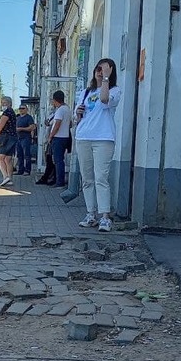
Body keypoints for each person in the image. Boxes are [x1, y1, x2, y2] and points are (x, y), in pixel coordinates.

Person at [75, 58, 122, 232]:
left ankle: (105, 217)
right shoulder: (85, 92)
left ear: (111, 72)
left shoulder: (114, 90)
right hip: (84, 137)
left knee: (101, 178)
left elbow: (104, 99)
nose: (100, 72)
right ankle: (90, 214)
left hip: (103, 138)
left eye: (104, 70)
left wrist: (106, 80)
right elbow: (78, 117)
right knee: (87, 179)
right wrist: (78, 114)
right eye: (98, 69)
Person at [47, 90, 72, 188]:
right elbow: (70, 124)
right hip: (65, 137)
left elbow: (57, 124)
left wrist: (50, 136)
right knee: (59, 160)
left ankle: (59, 182)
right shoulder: (67, 109)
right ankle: (58, 180)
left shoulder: (60, 110)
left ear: (55, 100)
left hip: (58, 138)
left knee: (58, 161)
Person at [0, 96, 18, 186]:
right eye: (2, 103)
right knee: (8, 158)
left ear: (9, 104)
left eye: (5, 103)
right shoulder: (12, 112)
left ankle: (5, 176)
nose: (3, 105)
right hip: (12, 137)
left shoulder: (7, 113)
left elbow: (1, 125)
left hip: (5, 137)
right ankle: (10, 179)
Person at [15, 104, 37, 176]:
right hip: (18, 138)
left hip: (26, 138)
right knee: (19, 155)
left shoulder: (29, 118)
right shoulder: (18, 118)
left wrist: (21, 129)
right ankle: (20, 170)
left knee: (27, 155)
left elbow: (32, 127)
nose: (21, 110)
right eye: (20, 108)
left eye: (23, 108)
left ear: (26, 109)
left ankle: (27, 170)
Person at [36, 111, 57, 185]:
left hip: (53, 139)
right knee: (48, 158)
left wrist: (50, 137)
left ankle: (51, 177)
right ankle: (48, 176)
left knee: (52, 160)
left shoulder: (59, 113)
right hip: (48, 139)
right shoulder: (51, 113)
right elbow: (47, 123)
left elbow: (54, 125)